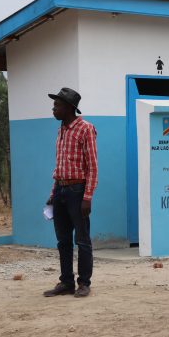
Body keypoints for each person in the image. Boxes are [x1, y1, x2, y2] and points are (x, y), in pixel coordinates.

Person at [43, 88, 99, 298]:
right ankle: (66, 282)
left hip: (77, 191)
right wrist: (53, 192)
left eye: (57, 105)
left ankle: (84, 283)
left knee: (82, 239)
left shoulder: (86, 129)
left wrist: (87, 197)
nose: (53, 108)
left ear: (68, 108)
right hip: (60, 190)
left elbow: (92, 167)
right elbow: (59, 165)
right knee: (62, 240)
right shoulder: (61, 130)